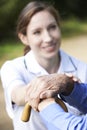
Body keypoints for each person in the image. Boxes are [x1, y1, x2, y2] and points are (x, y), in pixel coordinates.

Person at [1, 1, 87, 130]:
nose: (48, 38)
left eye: (52, 27)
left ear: (59, 27)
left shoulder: (83, 69)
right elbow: (17, 95)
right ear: (24, 38)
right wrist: (47, 87)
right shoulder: (12, 67)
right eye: (37, 32)